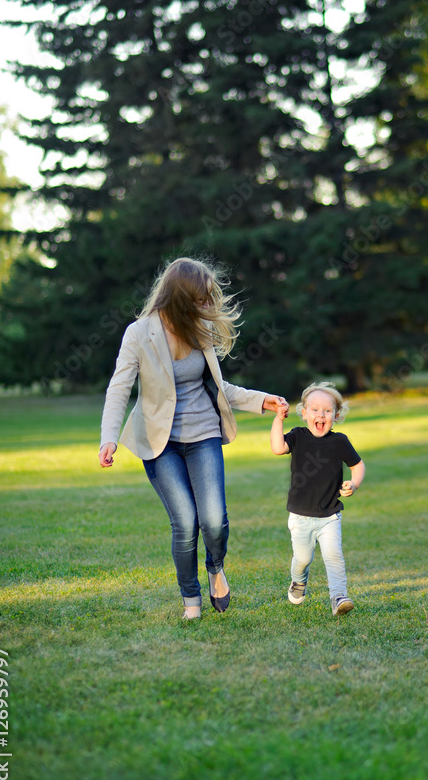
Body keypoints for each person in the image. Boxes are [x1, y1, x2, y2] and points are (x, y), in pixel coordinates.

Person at [99, 257, 288, 620]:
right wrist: (109, 437)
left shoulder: (200, 329)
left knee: (214, 520)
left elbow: (220, 387)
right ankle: (191, 599)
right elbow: (118, 390)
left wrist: (260, 400)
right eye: (200, 299)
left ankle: (215, 566)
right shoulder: (139, 334)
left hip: (203, 435)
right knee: (185, 521)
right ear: (180, 297)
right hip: (160, 442)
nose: (207, 305)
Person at [270, 381, 365, 616]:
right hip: (300, 516)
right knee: (302, 558)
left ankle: (338, 596)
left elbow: (358, 465)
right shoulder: (298, 436)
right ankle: (298, 581)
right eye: (314, 409)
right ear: (304, 413)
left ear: (337, 415)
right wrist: (278, 420)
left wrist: (354, 483)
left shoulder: (339, 442)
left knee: (334, 556)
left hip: (329, 515)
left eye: (327, 410)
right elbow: (278, 447)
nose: (320, 415)